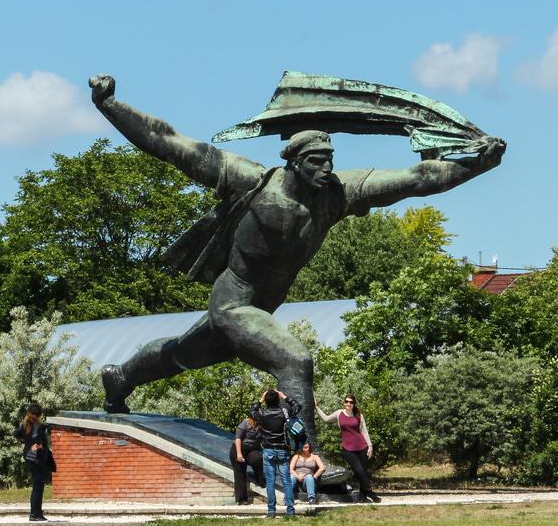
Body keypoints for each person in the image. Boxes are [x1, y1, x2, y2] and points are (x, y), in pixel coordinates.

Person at [88, 74, 506, 457]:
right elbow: (168, 141)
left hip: (260, 309)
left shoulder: (337, 194)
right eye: (316, 162)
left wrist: (478, 164)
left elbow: (418, 177)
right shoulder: (249, 179)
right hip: (234, 303)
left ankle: (121, 377)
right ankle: (305, 457)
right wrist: (110, 105)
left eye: (330, 160)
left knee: (183, 354)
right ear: (294, 162)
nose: (326, 169)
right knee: (294, 361)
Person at [316, 394, 380, 502]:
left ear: (354, 404)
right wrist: (316, 408)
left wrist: (370, 446)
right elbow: (326, 419)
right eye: (346, 401)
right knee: (358, 471)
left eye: (351, 402)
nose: (348, 404)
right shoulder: (339, 413)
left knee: (362, 472)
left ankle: (363, 497)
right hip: (348, 449)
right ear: (344, 402)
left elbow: (364, 431)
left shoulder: (358, 415)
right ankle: (372, 494)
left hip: (362, 447)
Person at [250, 389, 298, 517]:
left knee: (270, 481)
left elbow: (252, 411)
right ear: (278, 400)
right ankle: (290, 510)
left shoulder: (262, 414)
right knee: (286, 480)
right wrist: (285, 397)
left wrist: (260, 400)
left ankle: (271, 511)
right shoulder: (284, 412)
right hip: (283, 449)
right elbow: (297, 406)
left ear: (266, 401)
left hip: (268, 449)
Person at [13, 402, 53, 521]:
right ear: (39, 415)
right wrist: (38, 445)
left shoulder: (25, 424)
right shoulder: (38, 426)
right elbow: (36, 438)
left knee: (37, 486)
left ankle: (37, 513)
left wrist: (26, 443)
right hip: (37, 460)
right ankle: (35, 514)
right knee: (38, 486)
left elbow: (16, 434)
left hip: (29, 458)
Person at [229, 415, 263, 505]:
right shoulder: (245, 423)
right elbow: (238, 438)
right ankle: (242, 499)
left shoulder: (262, 425)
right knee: (239, 472)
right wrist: (239, 454)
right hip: (239, 448)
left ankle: (260, 479)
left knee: (258, 459)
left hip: (252, 449)